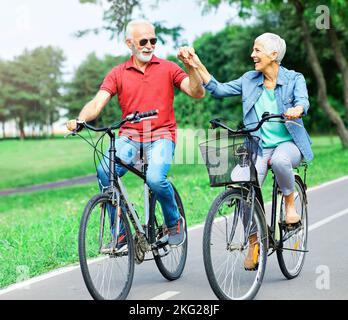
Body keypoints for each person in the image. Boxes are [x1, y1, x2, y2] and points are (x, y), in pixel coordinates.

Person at [177, 32, 313, 268]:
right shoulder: (249, 80)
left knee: (281, 161)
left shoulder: (294, 78)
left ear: (273, 54)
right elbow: (218, 89)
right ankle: (254, 241)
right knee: (242, 188)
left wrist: (297, 109)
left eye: (257, 50)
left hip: (288, 143)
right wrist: (195, 62)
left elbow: (303, 100)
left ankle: (290, 204)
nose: (253, 54)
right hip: (258, 145)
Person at [67, 19, 205, 247]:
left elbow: (196, 92)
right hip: (130, 137)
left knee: (155, 179)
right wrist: (79, 120)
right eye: (144, 41)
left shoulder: (168, 67)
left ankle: (174, 221)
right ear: (129, 43)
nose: (150, 45)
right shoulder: (118, 73)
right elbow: (97, 103)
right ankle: (120, 233)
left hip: (161, 135)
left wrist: (190, 67)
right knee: (105, 171)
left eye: (153, 41)